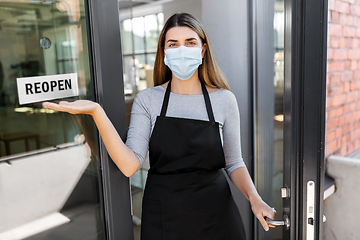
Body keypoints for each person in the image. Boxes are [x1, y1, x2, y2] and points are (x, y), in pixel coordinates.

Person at [43, 13, 275, 240]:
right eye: (173, 44)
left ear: (203, 50)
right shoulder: (148, 100)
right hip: (164, 214)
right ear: (164, 52)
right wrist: (97, 112)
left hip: (216, 213)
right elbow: (129, 165)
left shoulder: (224, 100)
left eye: (190, 42)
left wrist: (255, 199)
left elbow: (234, 162)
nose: (181, 50)